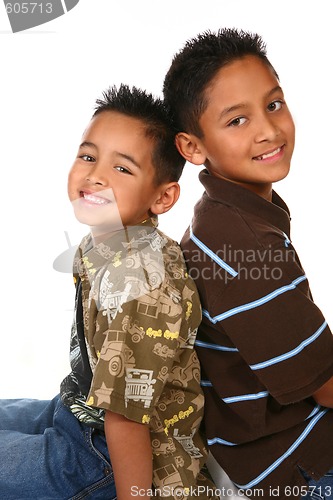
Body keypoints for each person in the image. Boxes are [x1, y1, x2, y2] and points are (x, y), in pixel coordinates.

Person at [0, 85, 218, 499]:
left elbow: (127, 418)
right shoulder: (104, 240)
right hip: (79, 412)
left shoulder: (140, 286)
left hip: (115, 457)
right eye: (88, 156)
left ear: (163, 196)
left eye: (122, 169)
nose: (95, 174)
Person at [163, 28, 333, 499]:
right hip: (300, 466)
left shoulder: (222, 216)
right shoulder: (245, 247)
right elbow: (325, 387)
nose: (268, 130)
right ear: (193, 147)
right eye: (237, 121)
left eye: (273, 104)